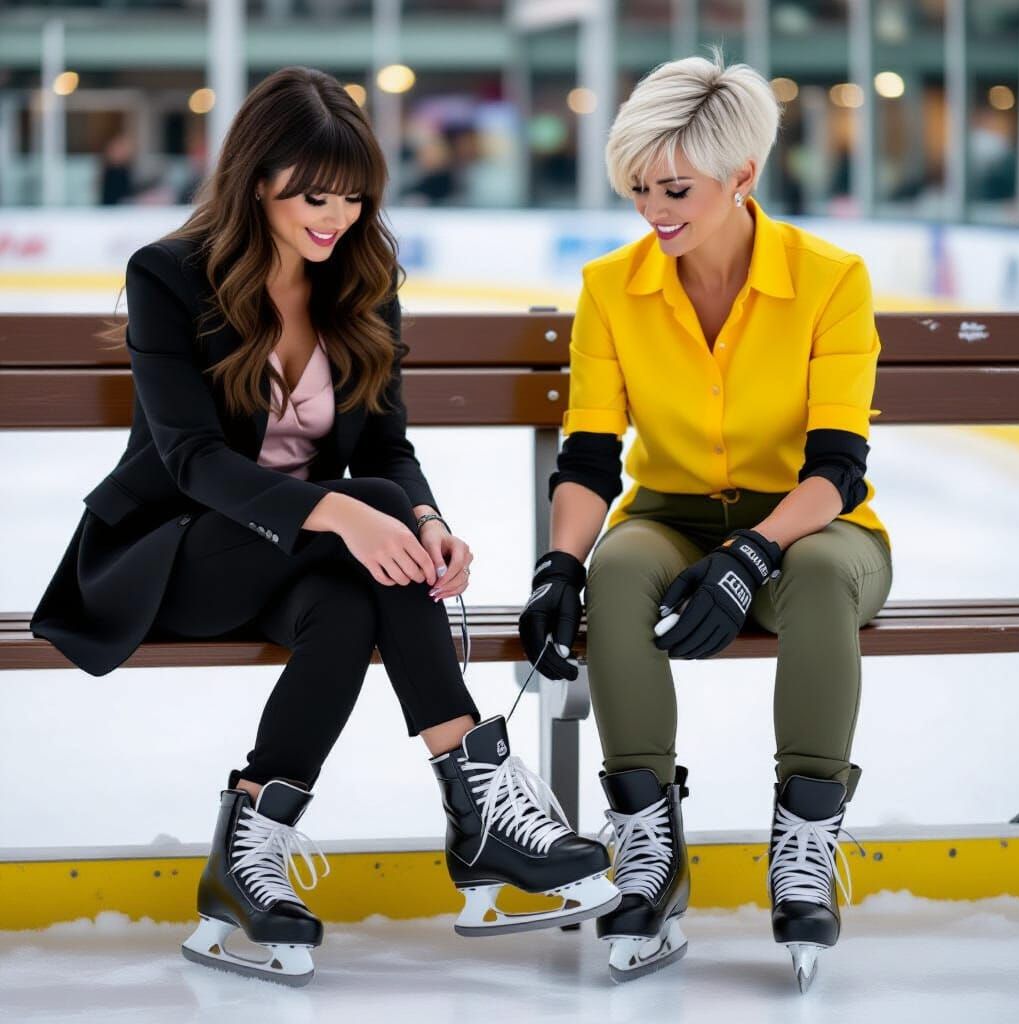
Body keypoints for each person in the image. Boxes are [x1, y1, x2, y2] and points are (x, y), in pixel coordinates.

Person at [30, 66, 617, 988]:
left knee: (350, 601)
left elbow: (386, 446)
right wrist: (343, 509)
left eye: (352, 196)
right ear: (256, 179)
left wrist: (425, 520)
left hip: (307, 562)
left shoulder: (361, 281)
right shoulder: (168, 277)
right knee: (366, 528)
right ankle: (477, 799)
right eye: (313, 194)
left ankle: (248, 852)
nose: (334, 216)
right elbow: (190, 459)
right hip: (176, 553)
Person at [518, 49, 893, 991]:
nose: (655, 208)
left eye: (676, 186)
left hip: (815, 527)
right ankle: (648, 846)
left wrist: (753, 552)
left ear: (744, 176)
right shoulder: (613, 287)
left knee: (808, 575)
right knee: (615, 566)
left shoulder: (830, 279)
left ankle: (805, 842)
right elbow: (592, 458)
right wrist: (557, 567)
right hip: (672, 515)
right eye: (640, 187)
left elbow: (839, 471)